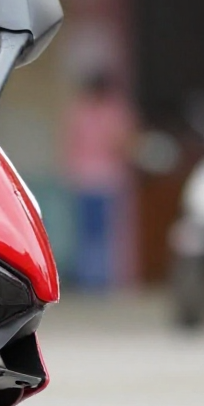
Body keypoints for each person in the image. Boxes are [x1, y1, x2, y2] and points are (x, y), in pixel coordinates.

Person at [63, 70, 136, 289]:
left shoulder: (79, 111)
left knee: (89, 234)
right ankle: (98, 281)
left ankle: (92, 281)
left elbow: (70, 143)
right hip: (104, 180)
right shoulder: (114, 113)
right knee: (100, 235)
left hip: (87, 179)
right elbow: (123, 144)